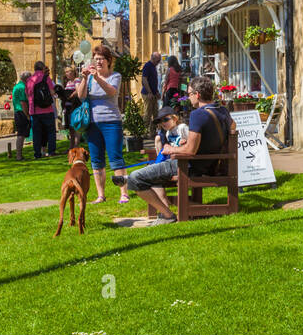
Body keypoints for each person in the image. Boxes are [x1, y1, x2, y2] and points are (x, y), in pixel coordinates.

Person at [127, 77, 231, 225]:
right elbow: (232, 127)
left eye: (189, 94)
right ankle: (164, 213)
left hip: (189, 166)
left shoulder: (198, 114)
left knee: (134, 179)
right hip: (211, 164)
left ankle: (168, 215)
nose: (188, 98)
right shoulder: (223, 111)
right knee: (151, 173)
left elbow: (190, 150)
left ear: (198, 95)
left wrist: (171, 149)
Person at [79, 44, 128, 203]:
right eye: (96, 59)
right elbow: (80, 95)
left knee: (115, 158)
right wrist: (85, 78)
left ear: (108, 61)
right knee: (96, 159)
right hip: (93, 123)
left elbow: (111, 91)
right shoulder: (90, 78)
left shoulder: (115, 76)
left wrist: (97, 77)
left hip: (111, 121)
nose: (98, 62)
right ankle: (101, 195)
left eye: (101, 59)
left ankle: (123, 193)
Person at [25, 61, 57, 159]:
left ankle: (37, 154)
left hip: (34, 110)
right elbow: (52, 92)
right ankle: (51, 151)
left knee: (36, 133)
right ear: (43, 68)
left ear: (34, 68)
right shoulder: (46, 78)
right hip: (47, 109)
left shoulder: (29, 80)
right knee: (51, 131)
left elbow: (27, 95)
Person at [11, 71, 30, 160]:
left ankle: (19, 155)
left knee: (20, 133)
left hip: (17, 111)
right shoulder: (23, 87)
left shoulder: (16, 86)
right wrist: (27, 115)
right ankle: (19, 155)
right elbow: (23, 103)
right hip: (21, 112)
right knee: (21, 134)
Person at [141, 51, 162, 122]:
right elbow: (144, 80)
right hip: (147, 93)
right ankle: (144, 131)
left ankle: (153, 132)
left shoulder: (153, 66)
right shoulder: (147, 66)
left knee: (156, 113)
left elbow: (153, 81)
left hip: (153, 93)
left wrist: (157, 92)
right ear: (153, 58)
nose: (159, 62)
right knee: (148, 114)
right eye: (158, 60)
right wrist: (149, 92)